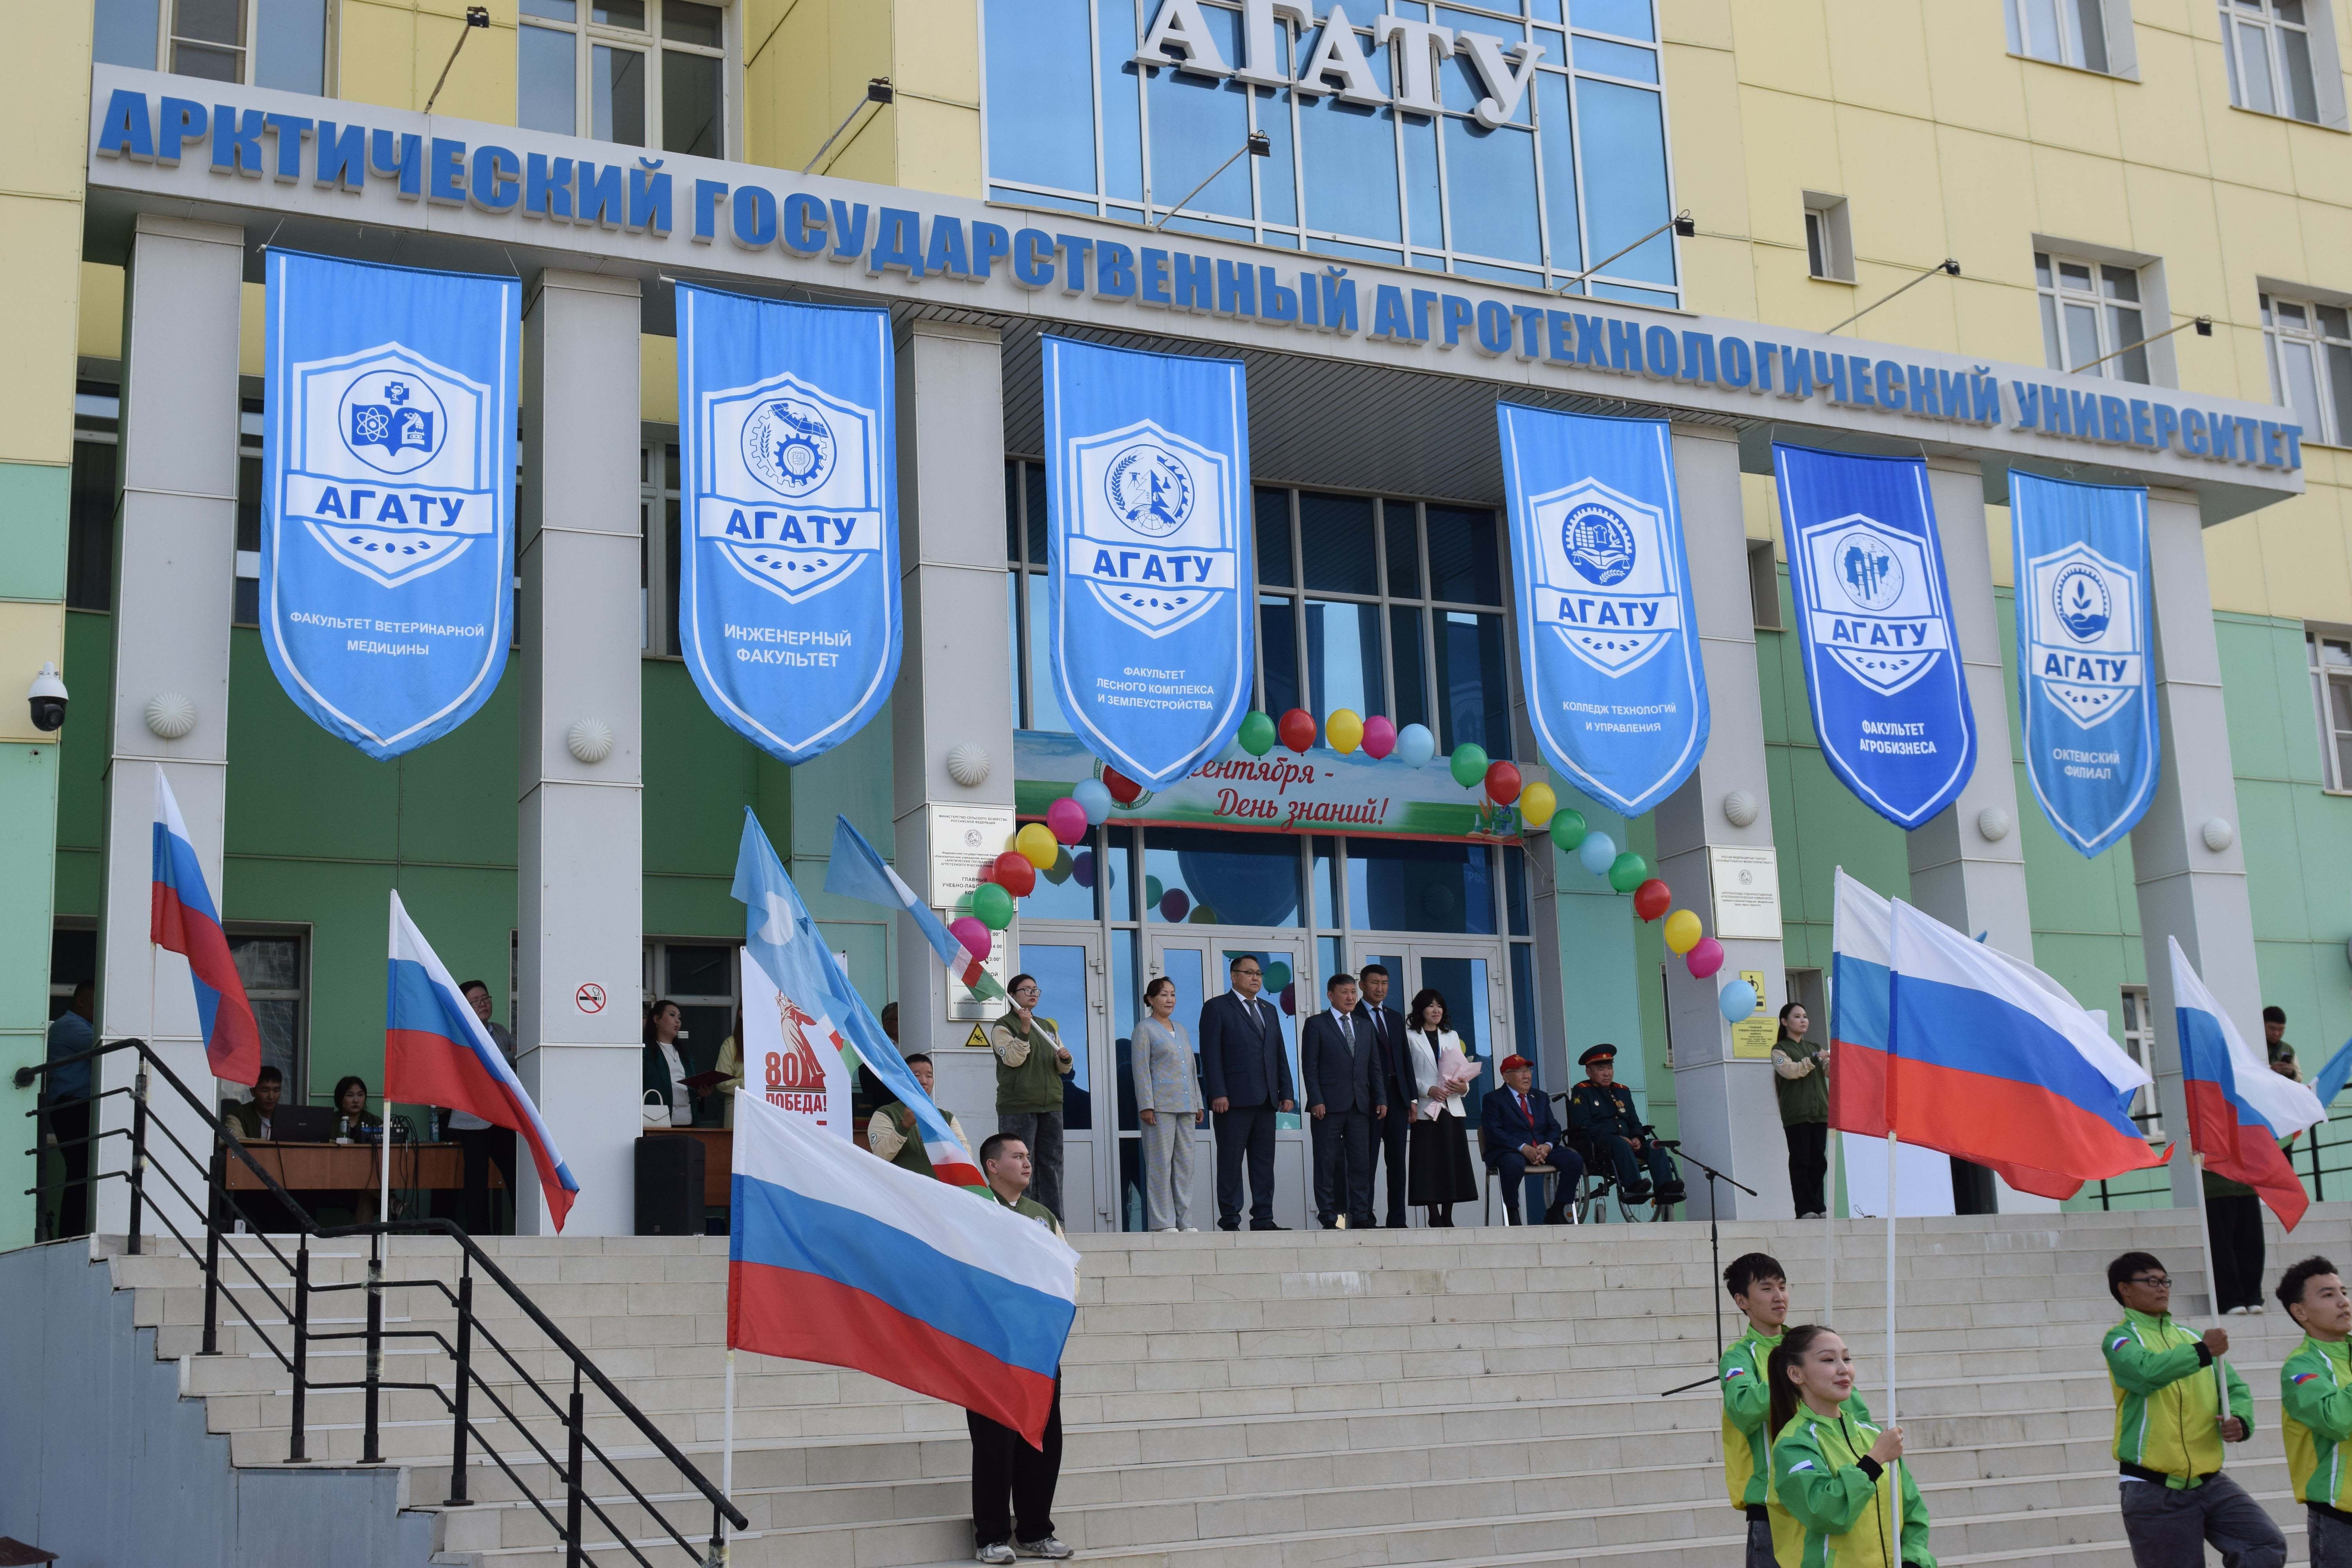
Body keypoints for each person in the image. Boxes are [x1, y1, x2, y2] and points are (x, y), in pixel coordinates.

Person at [2099, 1250, 2281, 1568]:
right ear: (2124, 1289)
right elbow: (2145, 1372)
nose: (2162, 1288)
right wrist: (2202, 1352)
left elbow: (2234, 1388)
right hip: (2153, 1487)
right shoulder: (2120, 1339)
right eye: (2151, 1281)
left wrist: (2239, 1418)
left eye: (2165, 1281)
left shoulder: (2192, 1337)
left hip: (2210, 1481)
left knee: (2264, 1543)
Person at [1719, 1254, 1871, 1568]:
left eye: (1783, 1287)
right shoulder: (1738, 1356)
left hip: (1829, 1494)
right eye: (1767, 1289)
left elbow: (1858, 1420)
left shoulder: (1809, 1348)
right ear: (1742, 1301)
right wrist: (1796, 1378)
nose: (1779, 1297)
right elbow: (1743, 1407)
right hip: (1772, 1505)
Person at [968, 1132, 1072, 1563]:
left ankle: (1035, 1531)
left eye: (1029, 1156)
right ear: (992, 1166)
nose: (1028, 1163)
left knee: (1043, 1442)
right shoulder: (973, 1209)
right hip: (990, 1350)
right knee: (995, 1444)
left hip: (1038, 1349)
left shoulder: (1042, 1216)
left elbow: (1067, 1272)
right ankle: (991, 1538)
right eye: (1017, 1156)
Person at [1768, 1323, 1932, 1567]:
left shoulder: (1873, 1435)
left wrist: (1913, 1560)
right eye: (1828, 1360)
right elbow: (1825, 1513)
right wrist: (1874, 1460)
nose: (1843, 1369)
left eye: (1847, 1359)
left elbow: (1912, 1511)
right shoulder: (1793, 1444)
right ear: (1796, 1374)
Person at [1198, 955, 1295, 1232]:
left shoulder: (1269, 1009)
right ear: (1234, 976)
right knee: (1231, 1162)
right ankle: (1230, 1221)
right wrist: (1218, 1092)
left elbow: (1279, 1052)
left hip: (1267, 1099)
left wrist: (1287, 1091)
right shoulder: (1217, 1007)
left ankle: (1264, 1219)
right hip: (1233, 1100)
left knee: (1264, 1164)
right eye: (1250, 973)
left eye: (1259, 974)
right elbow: (1211, 1054)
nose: (1256, 978)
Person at [2278, 1255, 2352, 1565]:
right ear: (2300, 1312)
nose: (2343, 1302)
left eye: (2344, 1292)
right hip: (2340, 1518)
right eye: (2328, 1295)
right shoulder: (2300, 1367)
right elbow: (2336, 1420)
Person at [1301, 972, 1387, 1229]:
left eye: (1353, 992)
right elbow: (1310, 1067)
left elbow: (1375, 1067)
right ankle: (1328, 1216)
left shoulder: (1364, 1025)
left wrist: (1381, 1098)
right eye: (1344, 993)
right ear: (1331, 995)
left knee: (1361, 1162)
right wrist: (1316, 1099)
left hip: (1360, 1105)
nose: (1351, 997)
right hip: (1327, 1106)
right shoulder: (1316, 1024)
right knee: (1326, 1162)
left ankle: (1360, 1214)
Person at [991, 974, 1074, 1221]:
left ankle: (1054, 1221)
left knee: (1052, 1164)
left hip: (1051, 1105)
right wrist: (1025, 1030)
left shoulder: (1046, 1026)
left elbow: (1063, 1068)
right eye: (1026, 990)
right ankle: (1021, 1220)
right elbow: (1013, 1059)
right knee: (1019, 1165)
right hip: (1018, 1107)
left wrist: (1065, 1059)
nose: (1033, 994)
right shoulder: (1003, 1026)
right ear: (1012, 996)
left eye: (1036, 990)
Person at [1565, 1044, 1683, 1207]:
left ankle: (1665, 1189)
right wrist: (1618, 1137)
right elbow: (1583, 1124)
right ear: (1589, 1072)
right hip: (1599, 1144)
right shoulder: (1582, 1091)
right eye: (1601, 1069)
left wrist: (1637, 1137)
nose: (1607, 1073)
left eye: (1610, 1068)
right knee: (1619, 1143)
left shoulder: (1622, 1091)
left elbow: (1634, 1121)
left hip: (1627, 1142)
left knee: (1655, 1146)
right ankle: (1634, 1187)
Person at [1401, 987, 1477, 1226]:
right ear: (1420, 1009)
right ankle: (1433, 1215)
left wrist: (1463, 1087)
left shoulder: (1451, 1036)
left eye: (1439, 1006)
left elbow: (1461, 1070)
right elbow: (1406, 1073)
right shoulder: (1410, 1036)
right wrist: (1428, 1090)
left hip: (1451, 1107)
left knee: (1451, 1161)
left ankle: (1448, 1216)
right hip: (1426, 1109)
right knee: (1428, 1162)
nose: (1436, 1010)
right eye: (1431, 1005)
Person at [1132, 976, 1203, 1232]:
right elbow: (1141, 1069)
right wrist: (1146, 1105)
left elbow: (1192, 1069)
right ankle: (1163, 1223)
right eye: (1164, 995)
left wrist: (1198, 1102)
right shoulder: (1144, 1029)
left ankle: (1185, 1222)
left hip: (1186, 1105)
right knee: (1160, 1165)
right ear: (1151, 1000)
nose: (1170, 999)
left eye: (1173, 994)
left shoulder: (1181, 1029)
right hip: (1160, 1107)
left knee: (1185, 1166)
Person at [448, 979, 517, 1234]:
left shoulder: (499, 1030)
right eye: (475, 1001)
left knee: (516, 1176)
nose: (483, 1004)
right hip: (473, 1119)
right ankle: (479, 1237)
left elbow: (517, 1054)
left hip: (502, 1117)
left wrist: (507, 1058)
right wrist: (507, 1057)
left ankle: (526, 1229)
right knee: (476, 1182)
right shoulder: (460, 1034)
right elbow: (489, 1063)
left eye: (485, 998)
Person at [1479, 1054, 1580, 1225]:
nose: (1527, 1076)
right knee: (1513, 1164)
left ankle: (1557, 1210)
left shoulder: (1540, 1097)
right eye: (1520, 1072)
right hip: (1511, 1150)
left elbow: (1554, 1126)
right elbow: (1494, 1132)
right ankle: (1512, 1212)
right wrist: (1523, 1148)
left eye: (1528, 1071)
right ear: (1506, 1077)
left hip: (1541, 1149)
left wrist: (1547, 1146)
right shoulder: (1494, 1099)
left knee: (1574, 1160)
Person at [1357, 964, 1412, 1228]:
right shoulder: (1353, 1015)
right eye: (1375, 983)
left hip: (1397, 1097)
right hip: (1367, 1098)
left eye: (1385, 983)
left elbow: (1405, 1060)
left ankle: (1398, 1219)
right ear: (1362, 985)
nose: (1380, 989)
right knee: (1366, 1161)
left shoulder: (1395, 1017)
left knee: (1397, 1162)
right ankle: (1364, 1216)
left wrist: (1412, 1099)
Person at [42, 982, 96, 1240]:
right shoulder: (70, 1026)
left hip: (79, 1107)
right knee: (80, 1171)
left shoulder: (80, 1026)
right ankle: (72, 1234)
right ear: (82, 1001)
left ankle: (76, 1232)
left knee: (83, 1172)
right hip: (73, 1107)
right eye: (99, 1003)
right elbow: (105, 1044)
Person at [1772, 1002, 1829, 1217]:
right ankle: (1805, 1209)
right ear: (1785, 1022)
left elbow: (1829, 1073)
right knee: (1801, 1161)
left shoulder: (1814, 1046)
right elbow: (1791, 1071)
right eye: (1797, 1017)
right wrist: (1816, 1059)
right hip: (1797, 1115)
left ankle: (1819, 1206)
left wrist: (1834, 1061)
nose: (1803, 1020)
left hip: (1820, 1113)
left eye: (1805, 1016)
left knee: (1819, 1162)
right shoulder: (1780, 1050)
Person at [642, 998, 699, 1128]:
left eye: (679, 1017)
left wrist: (701, 1093)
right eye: (672, 1015)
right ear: (657, 1020)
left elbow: (693, 1091)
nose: (678, 1021)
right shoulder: (646, 1051)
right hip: (658, 1122)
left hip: (688, 1122)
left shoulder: (685, 1054)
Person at [226, 1064, 285, 1141]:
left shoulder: (288, 1117)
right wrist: (269, 1142)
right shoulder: (238, 1115)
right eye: (265, 1091)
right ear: (253, 1092)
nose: (271, 1097)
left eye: (276, 1091)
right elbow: (233, 1141)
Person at [714, 1006, 746, 1129]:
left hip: (765, 1108)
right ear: (741, 1014)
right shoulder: (731, 1044)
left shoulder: (769, 1043)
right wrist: (751, 1085)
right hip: (738, 1109)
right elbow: (722, 1082)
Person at [2265, 1005, 2299, 1079]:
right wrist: (2269, 1070)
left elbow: (2299, 1078)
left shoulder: (2288, 1049)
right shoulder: (2254, 1046)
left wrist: (2292, 1073)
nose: (2277, 1034)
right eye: (2272, 1029)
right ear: (2263, 1025)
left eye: (2281, 1029)